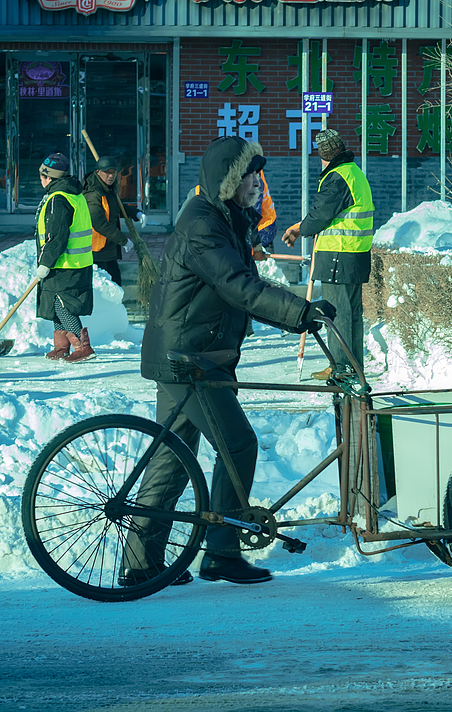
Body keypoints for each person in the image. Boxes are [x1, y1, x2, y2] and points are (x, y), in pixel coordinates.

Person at [131, 135, 335, 587]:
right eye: (249, 176)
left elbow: (240, 282)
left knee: (173, 456)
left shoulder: (224, 218)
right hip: (191, 360)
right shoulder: (204, 224)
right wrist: (299, 312)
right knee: (238, 444)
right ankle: (221, 551)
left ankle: (142, 562)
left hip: (191, 353)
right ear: (228, 181)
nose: (257, 184)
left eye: (258, 176)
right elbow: (238, 285)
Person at [283, 127, 373, 381]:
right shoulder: (354, 172)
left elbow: (319, 217)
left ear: (324, 156)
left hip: (338, 255)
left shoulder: (337, 178)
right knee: (352, 314)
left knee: (338, 315)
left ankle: (343, 368)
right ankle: (353, 367)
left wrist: (298, 229)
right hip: (354, 255)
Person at [35, 152, 96, 363]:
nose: (40, 180)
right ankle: (61, 347)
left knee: (63, 305)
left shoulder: (58, 199)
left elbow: (56, 237)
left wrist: (45, 263)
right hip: (75, 262)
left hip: (65, 264)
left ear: (49, 178)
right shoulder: (73, 195)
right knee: (55, 303)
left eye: (42, 176)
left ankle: (83, 346)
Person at [82, 155, 130, 287]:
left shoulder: (108, 189)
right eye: (107, 173)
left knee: (115, 284)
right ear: (98, 172)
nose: (110, 176)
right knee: (105, 287)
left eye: (113, 172)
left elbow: (115, 208)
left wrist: (135, 212)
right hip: (97, 250)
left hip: (109, 249)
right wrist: (123, 240)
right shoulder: (92, 194)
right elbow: (99, 223)